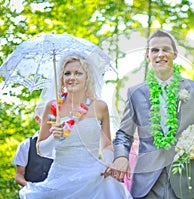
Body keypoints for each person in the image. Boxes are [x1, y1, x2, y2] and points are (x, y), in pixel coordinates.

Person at [109, 30, 194, 199]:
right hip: (147, 183)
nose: (160, 54)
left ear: (175, 54)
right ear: (148, 56)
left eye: (165, 49)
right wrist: (121, 156)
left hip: (186, 180)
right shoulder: (135, 93)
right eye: (155, 50)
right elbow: (124, 133)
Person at [19, 50, 132, 198]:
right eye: (67, 73)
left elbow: (106, 145)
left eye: (78, 73)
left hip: (94, 178)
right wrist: (54, 137)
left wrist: (108, 161)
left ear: (87, 77)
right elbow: (41, 150)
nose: (72, 77)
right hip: (60, 180)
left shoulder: (100, 106)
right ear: (61, 77)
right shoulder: (52, 107)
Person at [12, 104, 53, 187]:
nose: (51, 121)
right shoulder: (26, 145)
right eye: (46, 118)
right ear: (37, 119)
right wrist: (33, 188)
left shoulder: (62, 144)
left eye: (52, 118)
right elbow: (18, 176)